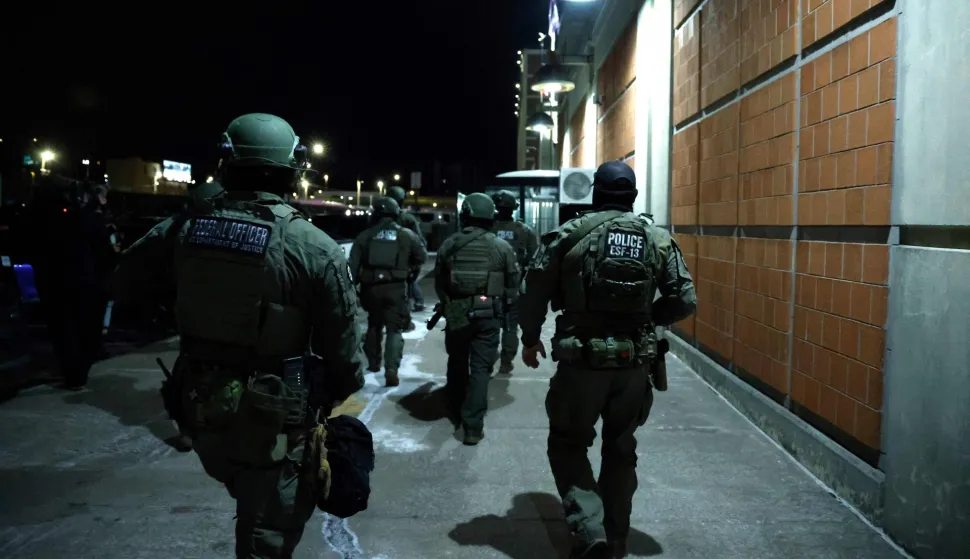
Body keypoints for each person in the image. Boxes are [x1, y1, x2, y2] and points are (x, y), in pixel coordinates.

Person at [113, 113, 365, 558]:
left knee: (243, 491)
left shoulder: (185, 228)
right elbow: (342, 350)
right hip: (272, 416)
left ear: (226, 163)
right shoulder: (313, 245)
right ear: (292, 170)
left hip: (200, 404)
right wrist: (336, 391)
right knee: (266, 534)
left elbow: (125, 281)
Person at [518, 161, 697, 559]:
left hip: (581, 363)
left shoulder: (568, 235)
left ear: (594, 192)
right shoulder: (657, 238)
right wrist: (650, 317)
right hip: (633, 366)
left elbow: (533, 292)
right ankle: (616, 538)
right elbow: (685, 299)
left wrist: (529, 340)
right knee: (620, 448)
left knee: (567, 443)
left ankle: (589, 527)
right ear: (633, 196)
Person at [433, 192, 519, 445]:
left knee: (457, 362)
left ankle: (455, 409)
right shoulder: (501, 247)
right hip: (488, 314)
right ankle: (472, 427)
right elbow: (513, 284)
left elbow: (439, 281)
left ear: (465, 215)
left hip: (457, 313)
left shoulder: (450, 244)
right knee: (481, 369)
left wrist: (450, 303)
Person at [349, 196, 427, 387]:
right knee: (394, 329)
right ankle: (391, 369)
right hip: (396, 288)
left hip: (371, 289)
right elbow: (422, 256)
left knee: (374, 324)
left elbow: (352, 267)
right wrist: (408, 269)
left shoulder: (365, 236)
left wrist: (354, 290)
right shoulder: (406, 235)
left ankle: (374, 364)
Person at [489, 190, 539, 376]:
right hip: (514, 286)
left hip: (488, 286)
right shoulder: (524, 230)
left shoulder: (487, 229)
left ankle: (488, 358)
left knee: (490, 324)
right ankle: (506, 362)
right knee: (510, 326)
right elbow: (536, 259)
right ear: (513, 209)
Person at [386, 185, 427, 312]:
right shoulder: (407, 218)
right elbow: (420, 241)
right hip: (404, 261)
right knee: (408, 284)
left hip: (391, 261)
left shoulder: (379, 219)